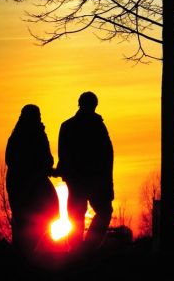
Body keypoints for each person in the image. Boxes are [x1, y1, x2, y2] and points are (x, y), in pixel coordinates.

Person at [55, 91, 114, 252]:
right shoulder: (97, 126)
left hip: (80, 179)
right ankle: (85, 248)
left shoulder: (68, 126)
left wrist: (63, 171)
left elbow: (63, 154)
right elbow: (107, 155)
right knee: (100, 212)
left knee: (78, 213)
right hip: (93, 179)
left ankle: (79, 248)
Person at [5, 104, 59, 255]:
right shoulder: (32, 136)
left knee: (34, 219)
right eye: (37, 115)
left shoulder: (18, 136)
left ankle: (30, 252)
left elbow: (47, 160)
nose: (40, 118)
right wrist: (39, 170)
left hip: (25, 183)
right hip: (26, 184)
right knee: (28, 221)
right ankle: (28, 255)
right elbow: (13, 160)